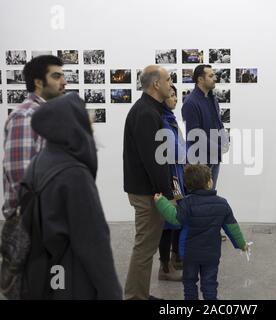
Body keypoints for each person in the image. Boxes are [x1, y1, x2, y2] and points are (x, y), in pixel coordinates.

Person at [23, 92, 122, 299]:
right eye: (84, 115)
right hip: (73, 280)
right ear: (71, 123)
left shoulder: (40, 161)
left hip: (46, 273)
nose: (91, 121)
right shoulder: (74, 174)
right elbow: (94, 245)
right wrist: (111, 293)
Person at [153, 164, 248, 300]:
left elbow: (174, 219)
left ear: (187, 185)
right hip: (211, 254)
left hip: (189, 254)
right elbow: (232, 227)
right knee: (210, 283)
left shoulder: (186, 204)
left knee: (189, 282)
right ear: (210, 182)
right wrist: (242, 244)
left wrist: (161, 201)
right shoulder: (222, 204)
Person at [123, 65, 174, 300]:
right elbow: (152, 160)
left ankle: (139, 293)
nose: (171, 84)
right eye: (168, 79)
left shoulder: (151, 109)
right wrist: (166, 194)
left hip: (148, 189)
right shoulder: (146, 113)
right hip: (147, 192)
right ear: (156, 84)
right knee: (144, 248)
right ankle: (135, 296)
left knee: (146, 246)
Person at [2, 55, 67, 219]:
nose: (64, 81)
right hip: (32, 216)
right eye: (56, 76)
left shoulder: (45, 113)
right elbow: (20, 174)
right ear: (38, 82)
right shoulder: (26, 116)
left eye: (62, 75)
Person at [181, 64, 228, 189]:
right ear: (200, 80)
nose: (215, 78)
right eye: (211, 76)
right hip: (199, 162)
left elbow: (218, 123)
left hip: (214, 158)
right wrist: (218, 148)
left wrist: (224, 139)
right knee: (200, 199)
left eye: (214, 75)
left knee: (210, 196)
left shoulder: (213, 99)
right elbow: (195, 135)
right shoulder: (190, 103)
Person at [157, 85, 185, 281]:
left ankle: (177, 257)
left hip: (177, 173)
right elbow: (176, 150)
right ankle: (165, 267)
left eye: (175, 95)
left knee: (178, 217)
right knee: (169, 221)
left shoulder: (170, 118)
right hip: (170, 176)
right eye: (171, 95)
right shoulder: (163, 120)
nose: (175, 98)